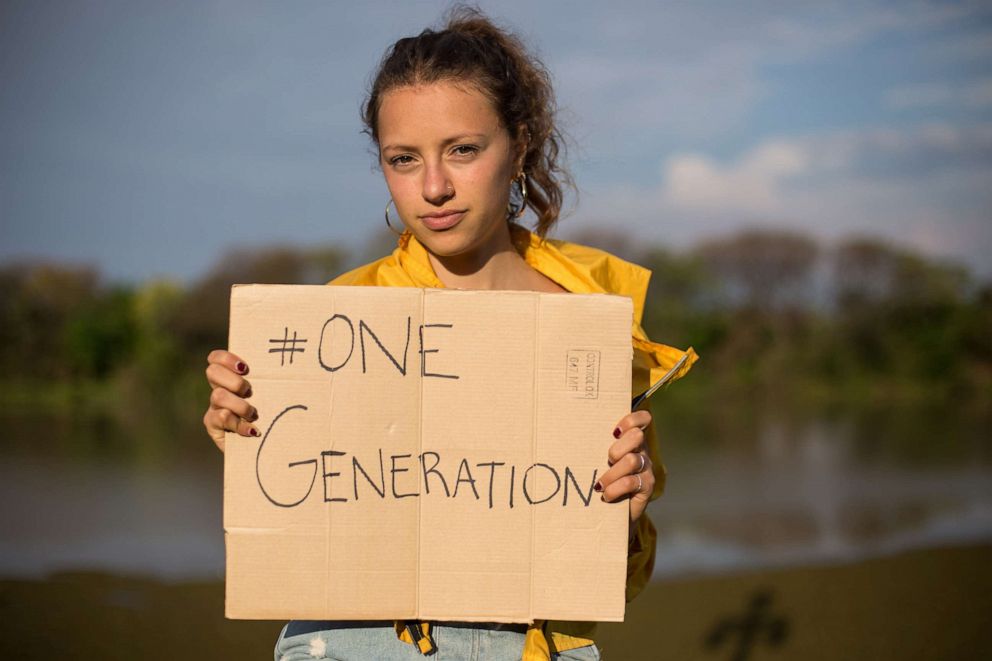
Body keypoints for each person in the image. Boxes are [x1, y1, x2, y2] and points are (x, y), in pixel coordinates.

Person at [203, 8, 696, 661]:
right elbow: (299, 512)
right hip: (358, 643)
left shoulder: (595, 323)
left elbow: (616, 576)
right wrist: (244, 430)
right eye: (404, 159)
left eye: (463, 149)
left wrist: (622, 516)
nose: (434, 187)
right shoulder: (338, 318)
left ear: (518, 145)